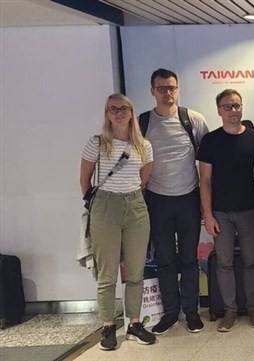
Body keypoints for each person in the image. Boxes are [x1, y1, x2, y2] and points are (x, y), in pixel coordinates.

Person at [79, 93, 156, 350]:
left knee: (135, 270)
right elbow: (84, 180)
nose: (119, 113)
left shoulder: (143, 145)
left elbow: (144, 179)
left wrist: (130, 198)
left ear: (132, 112)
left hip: (135, 206)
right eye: (113, 109)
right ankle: (108, 326)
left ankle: (134, 322)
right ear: (107, 114)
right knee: (107, 272)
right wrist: (101, 204)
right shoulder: (97, 143)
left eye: (124, 108)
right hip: (105, 207)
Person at [140, 68, 209, 334]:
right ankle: (170, 312)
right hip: (157, 200)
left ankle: (191, 312)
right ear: (152, 91)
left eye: (171, 88)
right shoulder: (143, 122)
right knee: (166, 260)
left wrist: (206, 203)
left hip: (189, 198)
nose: (167, 93)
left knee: (190, 259)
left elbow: (207, 162)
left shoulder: (193, 119)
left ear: (178, 88)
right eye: (162, 89)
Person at [197, 89, 254, 332]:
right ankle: (229, 311)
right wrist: (207, 214)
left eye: (237, 106)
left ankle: (253, 308)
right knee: (224, 262)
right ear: (219, 110)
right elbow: (204, 180)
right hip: (220, 213)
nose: (233, 111)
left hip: (250, 210)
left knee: (251, 262)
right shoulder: (210, 141)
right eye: (228, 107)